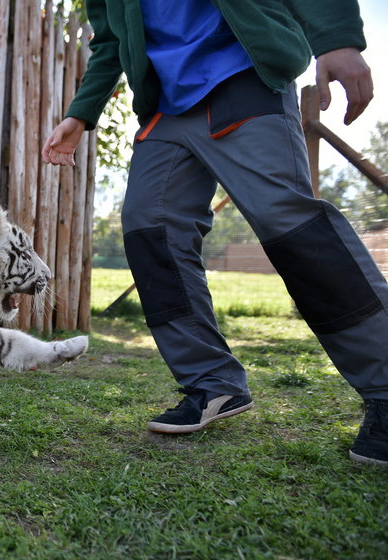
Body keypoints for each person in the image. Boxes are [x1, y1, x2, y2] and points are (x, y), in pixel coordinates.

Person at [43, 0, 388, 467]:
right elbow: (110, 41)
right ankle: (212, 382)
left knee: (292, 229)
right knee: (150, 231)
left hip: (242, 77)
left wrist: (338, 40)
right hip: (165, 108)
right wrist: (82, 114)